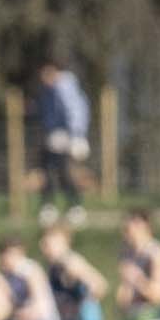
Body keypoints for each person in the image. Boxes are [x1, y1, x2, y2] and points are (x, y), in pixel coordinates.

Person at [32, 63, 93, 227]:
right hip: (56, 134)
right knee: (50, 170)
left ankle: (74, 206)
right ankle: (51, 206)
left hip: (66, 135)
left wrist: (77, 135)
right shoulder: (50, 91)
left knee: (66, 172)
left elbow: (76, 112)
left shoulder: (65, 88)